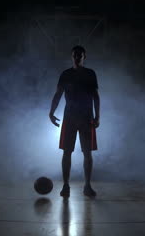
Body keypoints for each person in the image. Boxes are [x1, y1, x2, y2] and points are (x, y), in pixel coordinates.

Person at [49, 45, 100, 197]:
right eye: (75, 55)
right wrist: (51, 112)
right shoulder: (66, 74)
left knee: (87, 153)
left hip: (86, 118)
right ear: (71, 57)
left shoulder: (90, 74)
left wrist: (97, 117)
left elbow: (95, 96)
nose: (77, 57)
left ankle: (87, 186)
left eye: (80, 55)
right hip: (69, 117)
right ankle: (66, 186)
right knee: (67, 152)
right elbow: (58, 94)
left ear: (85, 57)